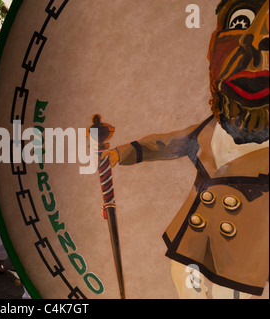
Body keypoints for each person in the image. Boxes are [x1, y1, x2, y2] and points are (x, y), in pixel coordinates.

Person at [101, 0, 268, 298]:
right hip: (193, 252)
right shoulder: (209, 129)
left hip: (244, 267)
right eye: (241, 22)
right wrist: (118, 154)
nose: (254, 42)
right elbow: (166, 143)